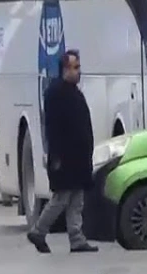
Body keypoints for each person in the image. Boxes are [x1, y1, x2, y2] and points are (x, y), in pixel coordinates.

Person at [27, 50, 99, 253]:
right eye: (75, 68)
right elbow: (53, 129)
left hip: (78, 158)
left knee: (76, 199)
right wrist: (56, 157)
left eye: (79, 67)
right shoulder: (57, 93)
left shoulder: (73, 92)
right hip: (66, 158)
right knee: (61, 198)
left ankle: (76, 239)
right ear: (65, 69)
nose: (78, 72)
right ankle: (39, 230)